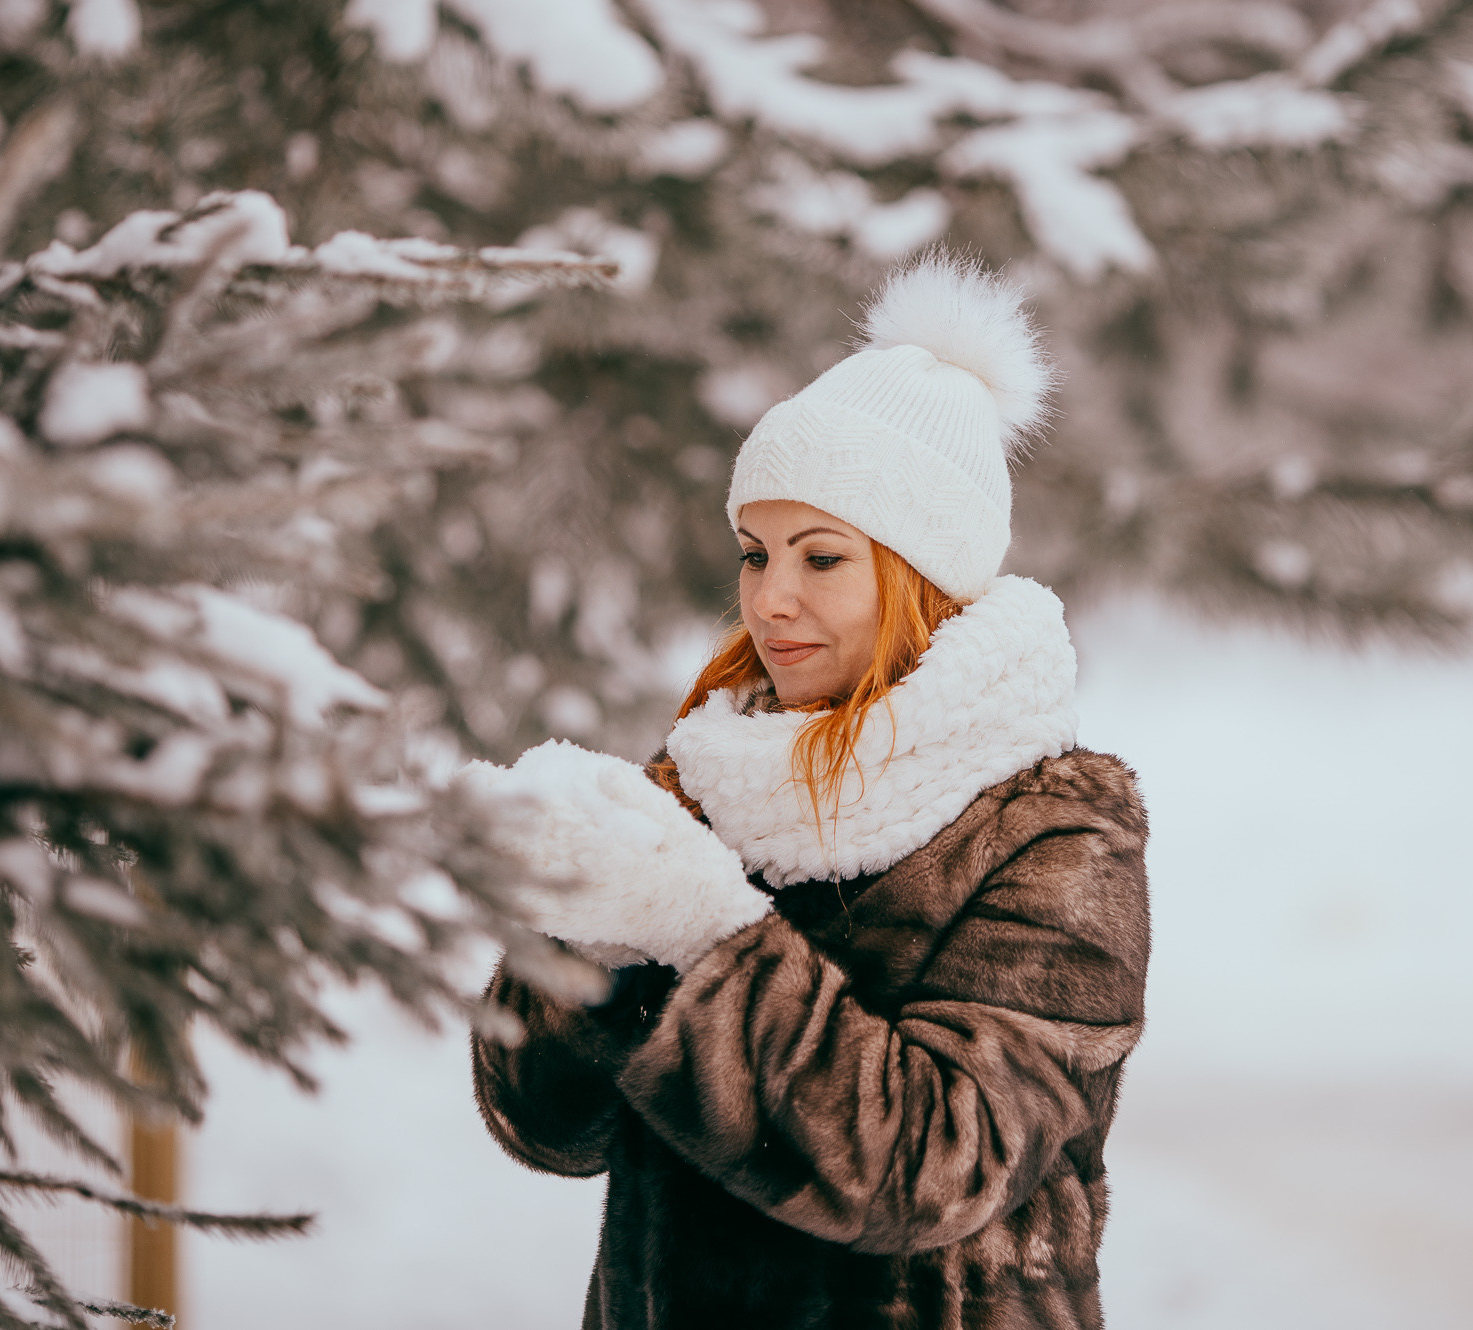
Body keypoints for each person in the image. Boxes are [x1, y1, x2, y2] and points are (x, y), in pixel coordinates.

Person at [463, 252, 1150, 1330]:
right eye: (754, 553)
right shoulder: (707, 782)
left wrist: (705, 934)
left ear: (921, 578)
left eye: (820, 559)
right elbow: (544, 1128)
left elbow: (932, 1167)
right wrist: (583, 949)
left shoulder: (1050, 836)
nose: (769, 598)